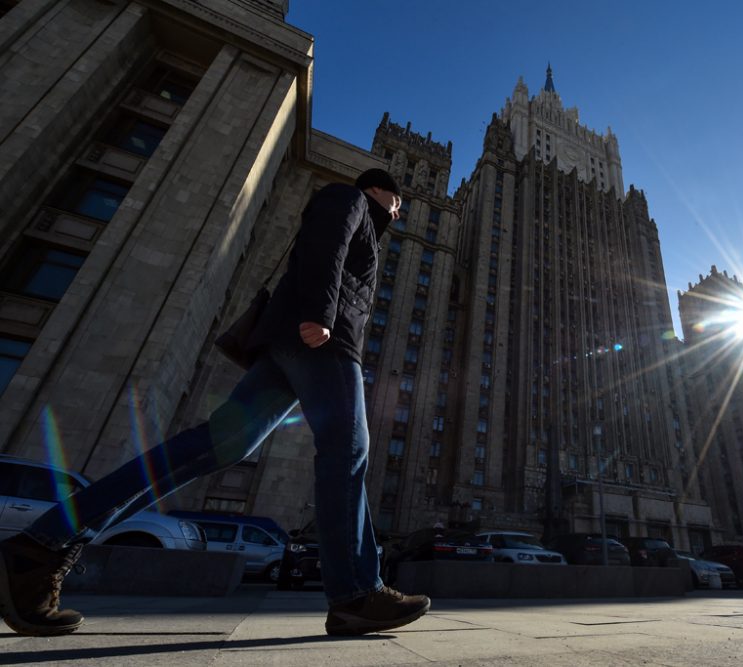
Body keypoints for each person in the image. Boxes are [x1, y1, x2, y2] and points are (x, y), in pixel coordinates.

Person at [0, 169, 431, 637]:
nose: (399, 209)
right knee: (347, 449)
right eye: (397, 199)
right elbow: (321, 248)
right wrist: (319, 315)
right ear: (377, 189)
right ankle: (355, 593)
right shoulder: (347, 199)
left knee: (217, 445)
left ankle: (40, 549)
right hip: (321, 343)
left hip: (284, 349)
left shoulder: (363, 218)